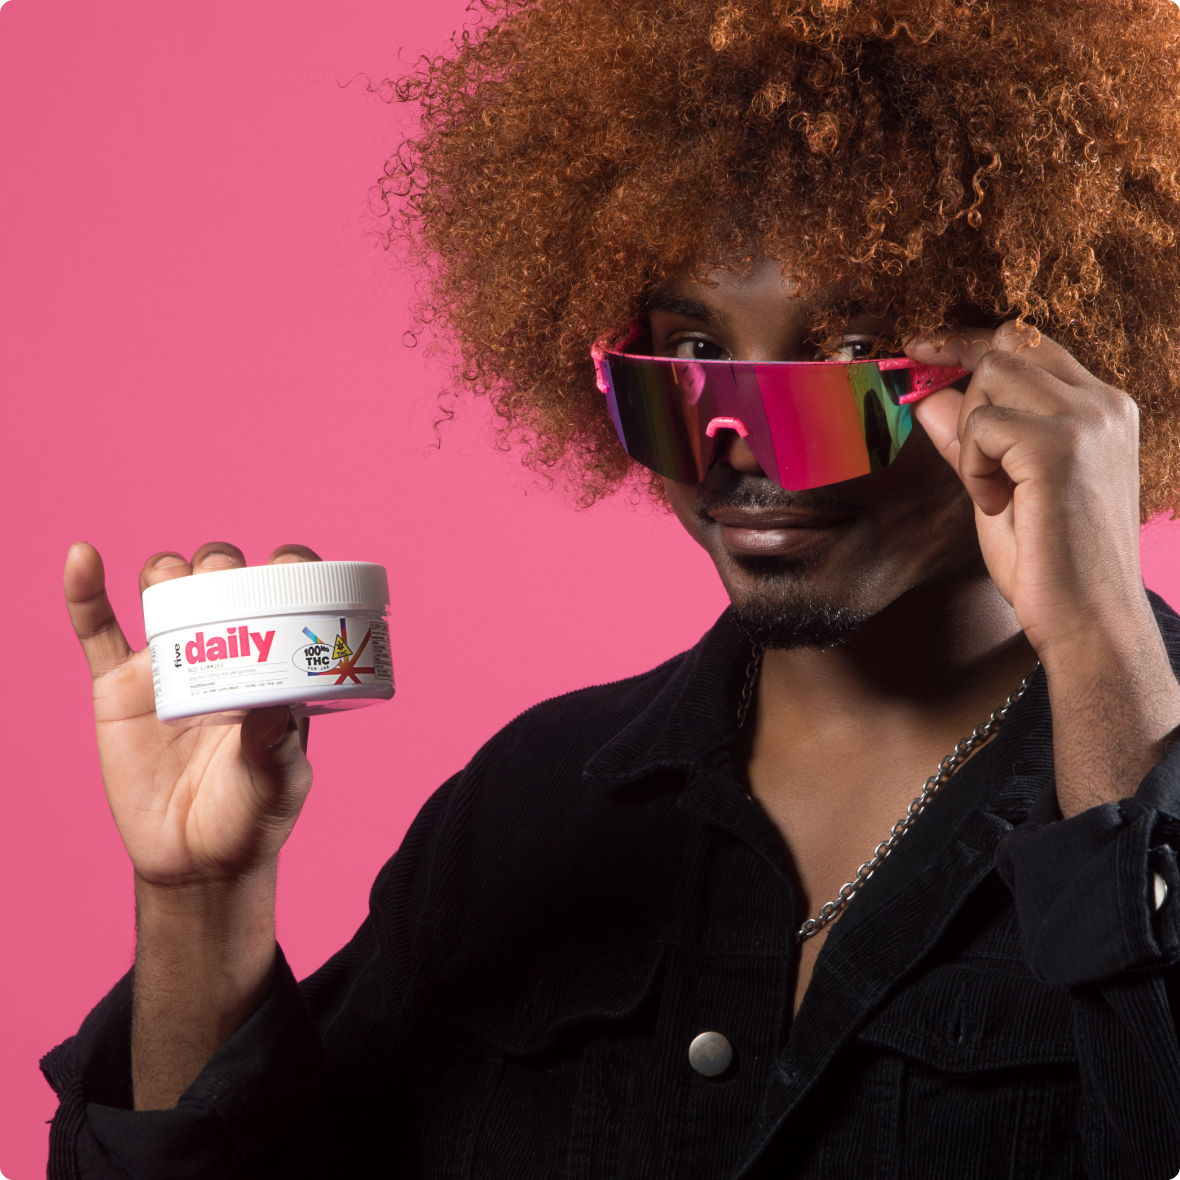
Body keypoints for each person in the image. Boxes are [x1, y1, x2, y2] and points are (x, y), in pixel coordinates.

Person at [42, 0, 1180, 1176]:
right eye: (687, 362)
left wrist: (1104, 664)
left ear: (1052, 376)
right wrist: (200, 900)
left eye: (847, 357)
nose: (743, 448)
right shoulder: (526, 805)